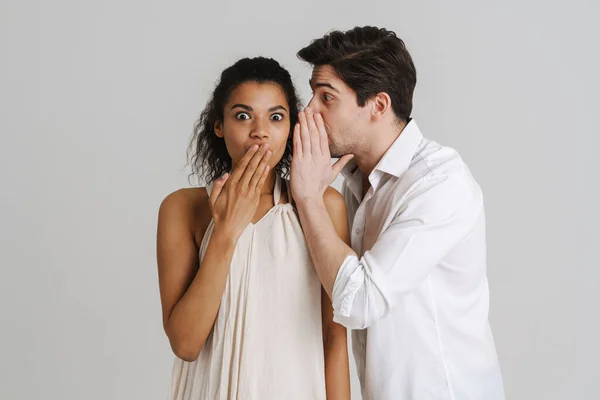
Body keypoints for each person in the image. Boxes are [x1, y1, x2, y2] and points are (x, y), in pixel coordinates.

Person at [289, 26, 505, 399]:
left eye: (327, 97)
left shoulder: (438, 182)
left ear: (378, 105)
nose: (309, 111)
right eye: (312, 94)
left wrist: (309, 199)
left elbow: (358, 302)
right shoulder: (356, 182)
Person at [156, 57, 350, 400]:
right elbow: (185, 344)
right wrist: (226, 231)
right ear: (219, 125)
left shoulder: (324, 206)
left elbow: (333, 337)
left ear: (291, 127)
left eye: (276, 117)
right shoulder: (183, 208)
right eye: (243, 116)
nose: (260, 131)